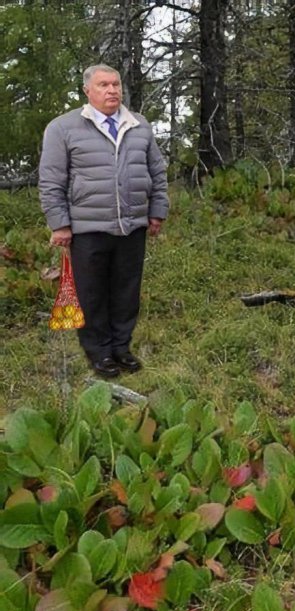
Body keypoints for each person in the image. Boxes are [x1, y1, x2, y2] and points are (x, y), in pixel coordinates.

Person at [39, 64, 168, 378]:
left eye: (115, 84)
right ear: (87, 91)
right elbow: (51, 180)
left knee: (126, 290)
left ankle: (121, 348)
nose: (112, 90)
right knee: (92, 292)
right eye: (103, 85)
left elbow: (157, 173)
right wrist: (59, 223)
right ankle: (99, 352)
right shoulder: (63, 128)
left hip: (132, 225)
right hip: (87, 227)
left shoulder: (139, 125)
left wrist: (157, 211)